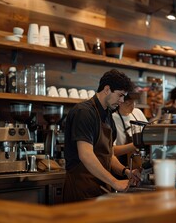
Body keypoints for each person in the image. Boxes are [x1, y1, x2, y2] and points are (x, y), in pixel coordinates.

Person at [63, 69, 141, 202]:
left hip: (100, 187)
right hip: (81, 188)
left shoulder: (108, 116)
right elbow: (85, 155)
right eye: (120, 95)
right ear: (107, 89)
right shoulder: (84, 112)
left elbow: (108, 155)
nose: (122, 101)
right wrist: (114, 182)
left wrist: (125, 172)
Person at [112, 92, 148, 167]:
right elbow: (113, 151)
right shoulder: (112, 118)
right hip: (123, 165)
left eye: (133, 102)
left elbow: (148, 132)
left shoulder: (137, 112)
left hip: (141, 162)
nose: (132, 106)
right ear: (119, 102)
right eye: (128, 103)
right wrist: (137, 144)